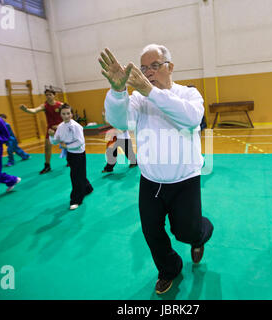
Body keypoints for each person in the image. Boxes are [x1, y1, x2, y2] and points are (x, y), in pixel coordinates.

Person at [99, 44, 214, 294]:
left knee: (186, 230)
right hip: (150, 180)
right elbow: (119, 122)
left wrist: (150, 91)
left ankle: (199, 235)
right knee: (152, 232)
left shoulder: (189, 95)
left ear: (170, 67)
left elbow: (191, 119)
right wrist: (118, 92)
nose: (148, 72)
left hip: (185, 180)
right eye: (143, 68)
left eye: (154, 65)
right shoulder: (138, 100)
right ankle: (169, 269)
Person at [48, 104, 93, 210]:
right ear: (60, 115)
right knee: (78, 174)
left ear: (72, 114)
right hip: (70, 154)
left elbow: (80, 142)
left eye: (68, 113)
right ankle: (87, 188)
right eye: (63, 114)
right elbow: (55, 141)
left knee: (75, 176)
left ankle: (76, 199)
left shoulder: (76, 126)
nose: (66, 116)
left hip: (79, 154)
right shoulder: (60, 127)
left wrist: (66, 145)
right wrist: (51, 135)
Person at [20, 88, 63, 174]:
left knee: (65, 145)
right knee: (47, 147)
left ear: (54, 95)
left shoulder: (60, 105)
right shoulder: (45, 106)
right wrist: (26, 110)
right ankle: (47, 166)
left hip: (61, 128)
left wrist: (60, 126)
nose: (48, 96)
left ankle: (70, 160)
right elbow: (35, 110)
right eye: (46, 95)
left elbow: (68, 115)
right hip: (50, 129)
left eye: (50, 94)